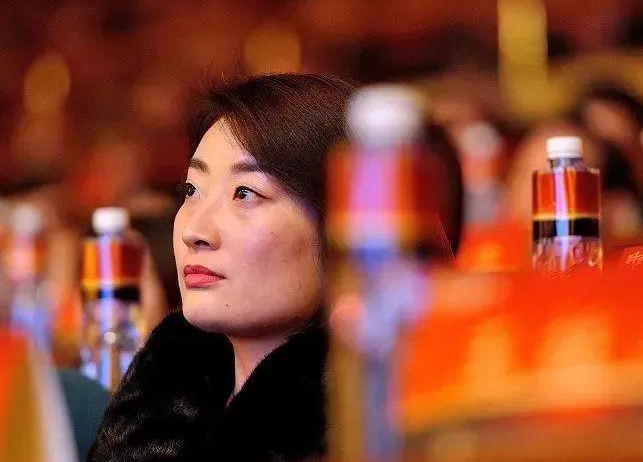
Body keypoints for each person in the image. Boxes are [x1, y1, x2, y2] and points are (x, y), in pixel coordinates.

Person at [87, 74, 461, 461]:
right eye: (191, 190)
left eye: (245, 193)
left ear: (341, 227)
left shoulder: (377, 427)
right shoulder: (156, 399)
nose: (195, 231)